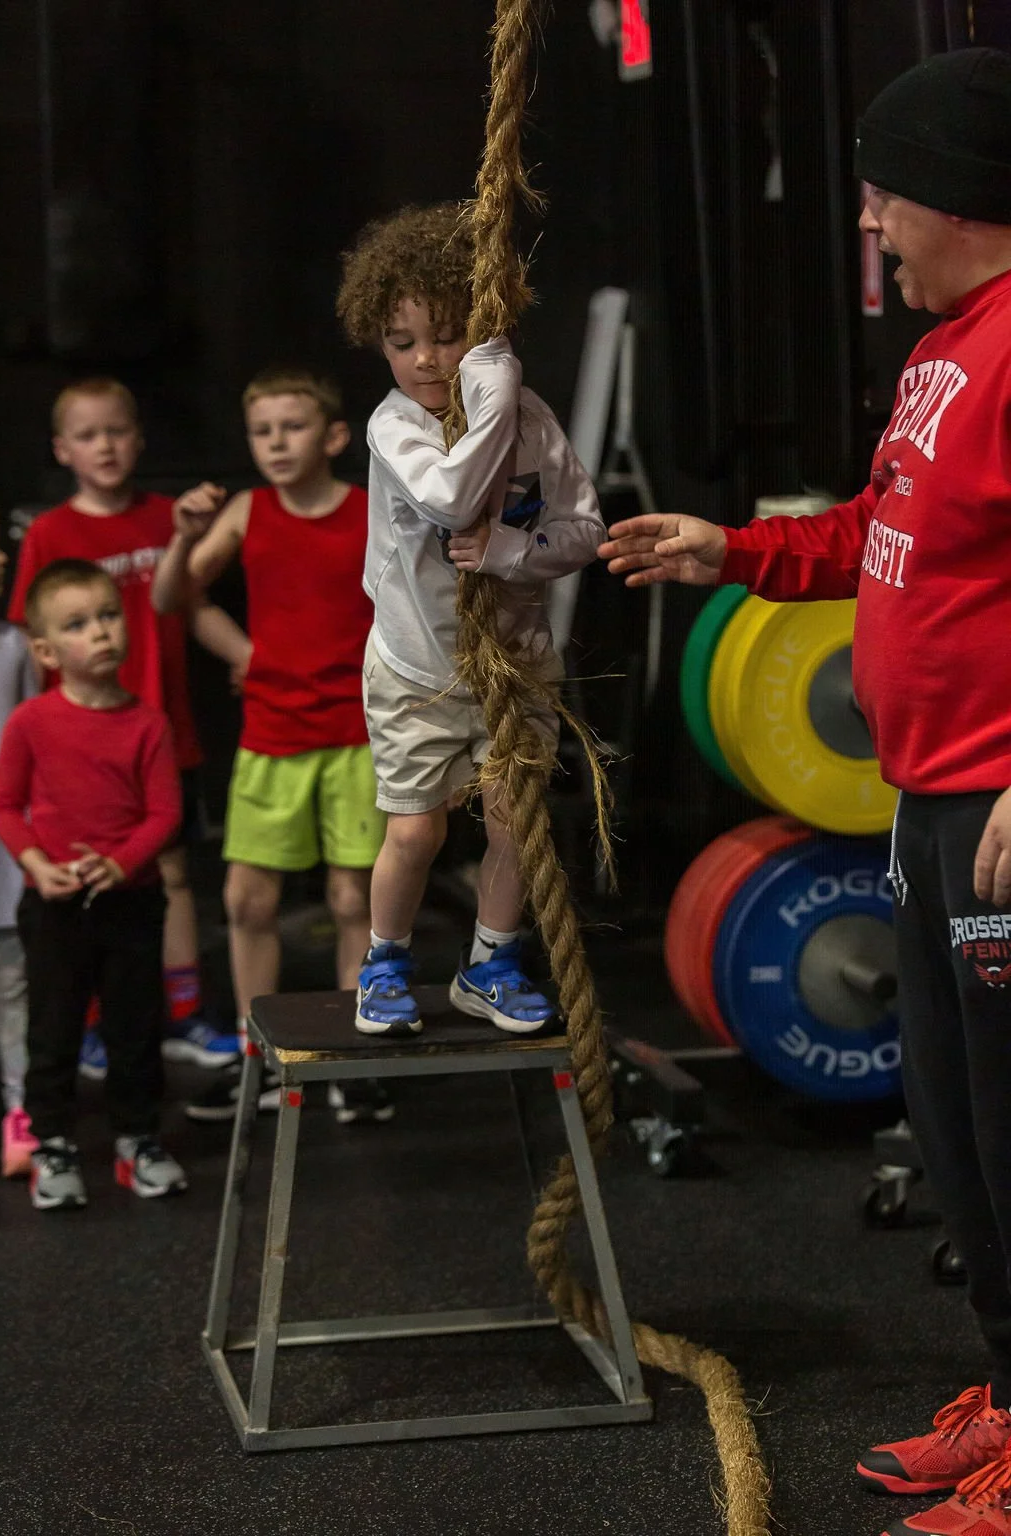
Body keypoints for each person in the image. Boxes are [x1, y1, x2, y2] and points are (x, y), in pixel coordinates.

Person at [600, 46, 1011, 1536]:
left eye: (883, 197)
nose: (869, 226)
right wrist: (734, 551)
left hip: (1000, 808)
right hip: (928, 797)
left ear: (959, 197)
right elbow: (882, 533)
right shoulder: (944, 349)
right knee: (954, 1120)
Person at [334, 202, 605, 1036]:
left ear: (485, 334)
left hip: (514, 658)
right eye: (402, 341)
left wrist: (512, 554)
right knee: (414, 831)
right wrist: (491, 395)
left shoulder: (531, 423)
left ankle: (490, 961)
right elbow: (452, 498)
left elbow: (585, 531)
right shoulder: (394, 425)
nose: (425, 359)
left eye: (448, 336)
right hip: (419, 668)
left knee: (513, 823)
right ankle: (385, 962)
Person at [151, 368, 391, 1124]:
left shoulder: (368, 509)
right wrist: (243, 652)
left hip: (357, 733)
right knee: (245, 901)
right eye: (262, 431)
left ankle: (357, 1062)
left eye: (291, 427)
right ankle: (259, 1062)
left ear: (333, 437)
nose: (276, 443)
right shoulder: (247, 511)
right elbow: (169, 600)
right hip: (272, 736)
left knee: (356, 899)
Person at [7, 377, 247, 1074]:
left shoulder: (169, 519)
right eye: (87, 435)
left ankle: (182, 1014)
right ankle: (86, 1024)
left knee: (171, 872)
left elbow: (191, 604)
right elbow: (30, 641)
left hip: (161, 732)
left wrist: (247, 656)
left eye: (116, 430)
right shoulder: (50, 533)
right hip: (76, 747)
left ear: (138, 438)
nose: (104, 446)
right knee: (80, 876)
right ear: (62, 450)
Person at [0, 559, 187, 1208]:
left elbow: (165, 814)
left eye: (108, 615)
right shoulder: (31, 723)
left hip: (131, 901)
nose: (101, 632)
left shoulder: (147, 723)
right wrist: (37, 866)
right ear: (46, 651)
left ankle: (137, 1141)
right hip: (54, 906)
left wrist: (120, 863)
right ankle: (53, 1143)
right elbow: (4, 806)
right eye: (78, 625)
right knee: (54, 1030)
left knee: (134, 1027)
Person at [0, 504, 38, 1177]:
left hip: (4, 850)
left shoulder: (18, 647)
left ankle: (22, 1108)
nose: (1, 560)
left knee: (12, 978)